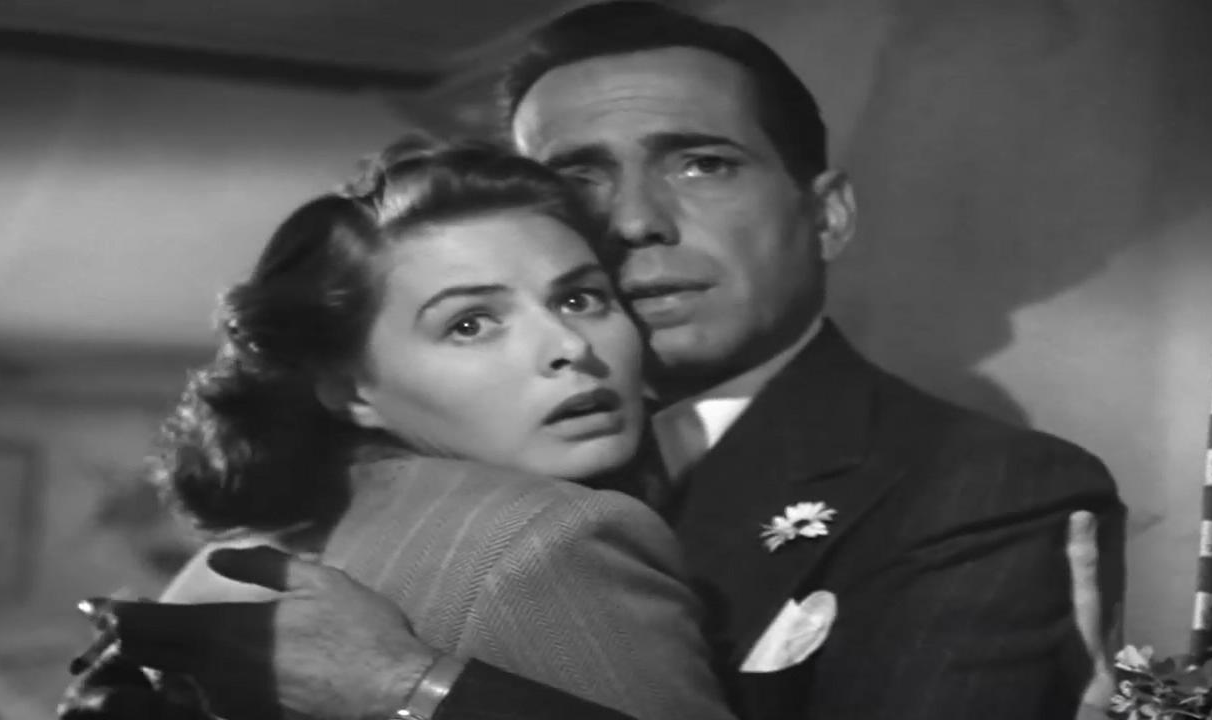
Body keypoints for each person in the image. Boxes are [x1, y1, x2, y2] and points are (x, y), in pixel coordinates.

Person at [62, 2, 1125, 719]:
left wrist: (411, 689)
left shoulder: (981, 489)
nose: (632, 221)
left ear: (826, 215)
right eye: (578, 178)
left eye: (700, 165)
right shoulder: (407, 477)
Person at [61, 137, 736, 720]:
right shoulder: (556, 538)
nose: (569, 346)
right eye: (469, 324)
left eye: (579, 298)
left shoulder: (231, 559)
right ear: (350, 390)